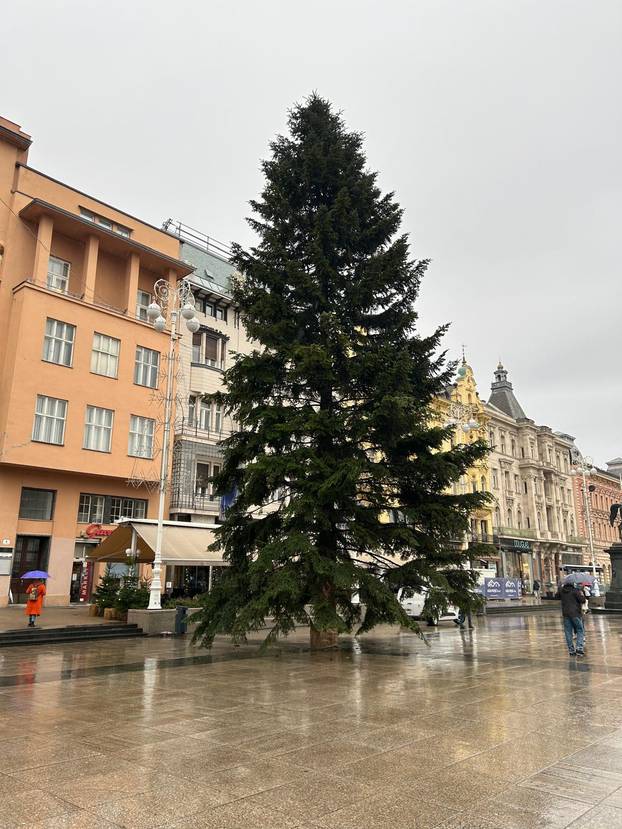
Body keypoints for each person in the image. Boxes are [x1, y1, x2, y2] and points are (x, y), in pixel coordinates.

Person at [558, 581, 587, 657]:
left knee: (568, 632)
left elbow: (556, 596)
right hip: (575, 614)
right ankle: (579, 648)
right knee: (580, 630)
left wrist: (560, 587)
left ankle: (571, 650)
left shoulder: (562, 591)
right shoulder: (575, 591)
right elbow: (583, 600)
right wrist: (581, 594)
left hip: (566, 614)